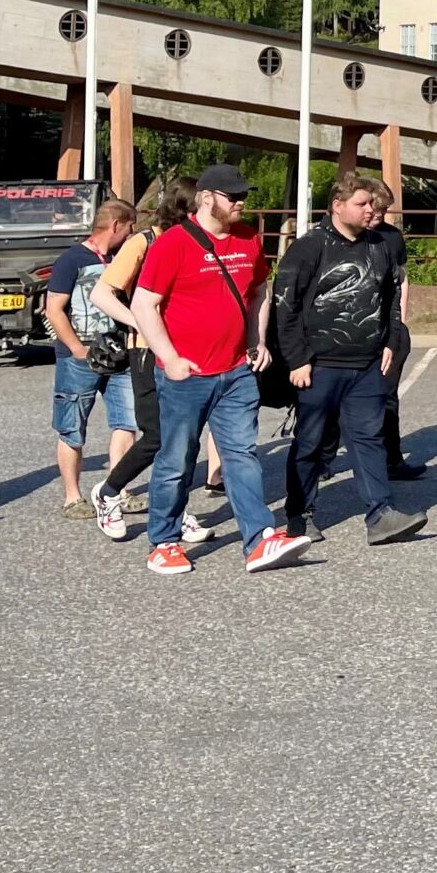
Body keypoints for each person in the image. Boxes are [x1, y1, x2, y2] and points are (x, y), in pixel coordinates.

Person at [130, 164, 306, 576]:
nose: (241, 202)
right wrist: (170, 359)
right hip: (186, 375)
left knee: (242, 455)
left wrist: (256, 341)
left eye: (244, 195)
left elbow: (259, 290)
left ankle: (260, 539)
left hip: (236, 371)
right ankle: (164, 542)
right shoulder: (172, 244)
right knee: (176, 459)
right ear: (207, 197)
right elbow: (143, 305)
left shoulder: (247, 239)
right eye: (233, 196)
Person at [273, 170, 426, 547]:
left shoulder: (380, 245)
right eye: (362, 204)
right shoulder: (309, 247)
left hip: (367, 366)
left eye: (371, 204)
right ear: (338, 206)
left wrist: (392, 339)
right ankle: (300, 514)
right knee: (310, 443)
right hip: (319, 366)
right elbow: (285, 306)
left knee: (369, 439)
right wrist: (296, 360)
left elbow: (390, 296)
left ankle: (381, 514)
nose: (370, 210)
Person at [90, 182, 222, 541]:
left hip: (189, 353)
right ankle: (108, 491)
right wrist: (140, 320)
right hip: (148, 351)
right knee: (159, 436)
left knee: (185, 439)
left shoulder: (199, 241)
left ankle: (174, 513)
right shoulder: (145, 241)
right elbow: (101, 293)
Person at [44, 196, 138, 522]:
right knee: (72, 427)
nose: (131, 235)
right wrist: (77, 349)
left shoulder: (123, 259)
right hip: (79, 356)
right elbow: (54, 309)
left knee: (128, 421)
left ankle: (118, 489)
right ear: (115, 225)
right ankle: (73, 497)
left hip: (119, 353)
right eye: (129, 228)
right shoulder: (72, 260)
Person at [364, 180, 426, 482]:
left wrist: (401, 317)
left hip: (390, 327)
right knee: (340, 397)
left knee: (388, 396)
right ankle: (323, 457)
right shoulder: (349, 235)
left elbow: (402, 277)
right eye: (376, 207)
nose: (379, 214)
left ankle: (392, 459)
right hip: (357, 330)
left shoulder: (392, 237)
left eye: (384, 209)